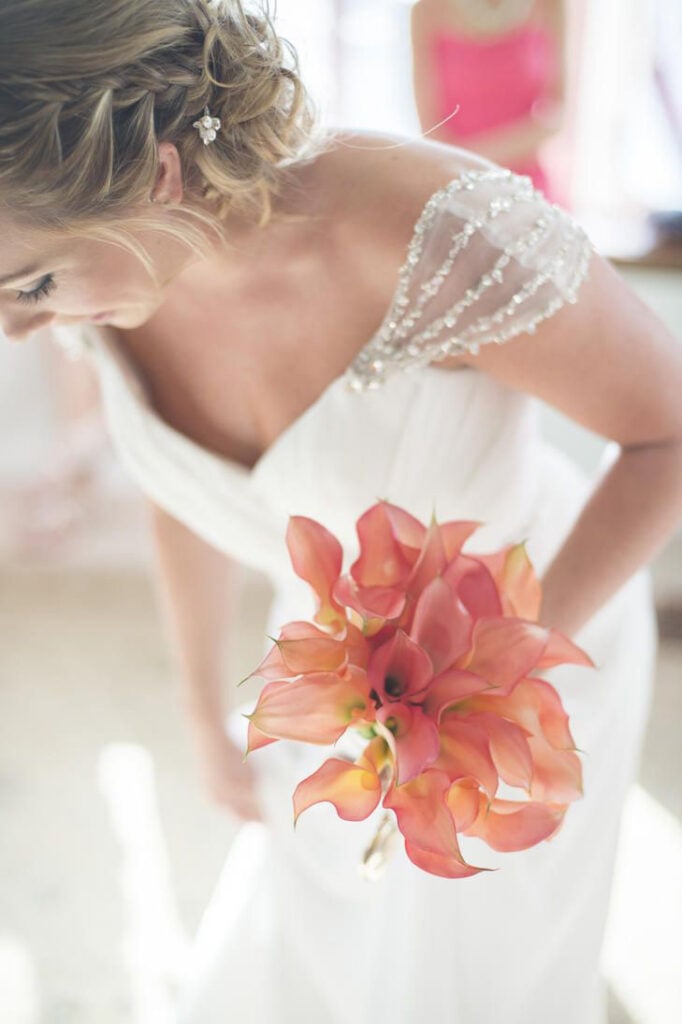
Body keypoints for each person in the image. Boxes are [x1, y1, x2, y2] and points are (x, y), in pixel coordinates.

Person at [1, 1, 681, 1021]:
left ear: (158, 179)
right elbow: (183, 493)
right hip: (324, 676)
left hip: (538, 656)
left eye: (31, 285)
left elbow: (666, 432)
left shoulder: (438, 232)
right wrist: (201, 709)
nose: (18, 330)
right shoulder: (113, 283)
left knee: (476, 979)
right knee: (316, 957)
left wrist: (499, 676)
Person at [410, 0, 565, 200]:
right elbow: (430, 128)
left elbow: (556, 113)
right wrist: (468, 167)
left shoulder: (549, 5)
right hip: (458, 181)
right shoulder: (426, 11)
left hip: (527, 186)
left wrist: (481, 159)